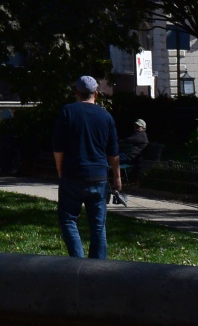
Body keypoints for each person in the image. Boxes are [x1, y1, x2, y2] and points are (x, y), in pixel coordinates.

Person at [51, 75, 121, 260]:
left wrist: (60, 170)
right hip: (98, 177)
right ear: (96, 94)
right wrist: (117, 177)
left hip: (72, 174)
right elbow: (113, 153)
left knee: (68, 220)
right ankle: (97, 269)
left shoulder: (67, 112)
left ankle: (77, 261)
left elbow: (58, 148)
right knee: (98, 226)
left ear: (76, 92)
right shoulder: (106, 116)